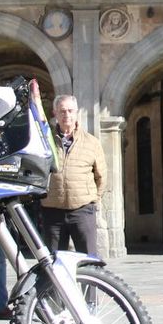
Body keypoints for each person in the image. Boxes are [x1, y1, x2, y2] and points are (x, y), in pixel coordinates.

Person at [42, 93, 106, 257]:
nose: (67, 115)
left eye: (70, 111)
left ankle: (91, 284)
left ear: (76, 112)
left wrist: (93, 199)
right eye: (62, 111)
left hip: (82, 211)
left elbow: (101, 176)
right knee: (54, 262)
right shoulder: (44, 141)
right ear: (55, 113)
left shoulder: (91, 142)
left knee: (89, 259)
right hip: (53, 211)